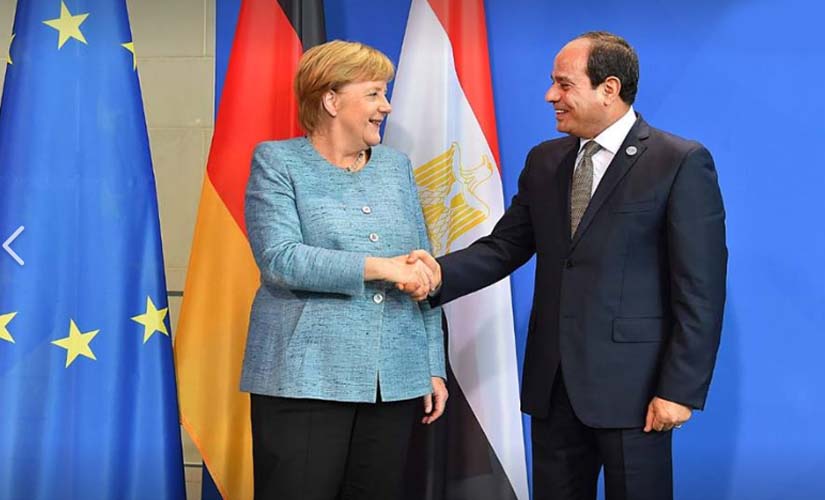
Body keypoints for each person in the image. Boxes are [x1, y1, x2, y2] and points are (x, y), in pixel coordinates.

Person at [407, 31, 727, 500]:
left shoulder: (677, 162)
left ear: (609, 89)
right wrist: (436, 274)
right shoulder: (545, 161)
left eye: (563, 84)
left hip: (635, 393)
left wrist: (679, 390)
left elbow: (700, 289)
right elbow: (504, 247)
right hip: (553, 389)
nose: (550, 95)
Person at [240, 40, 447, 500]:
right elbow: (280, 258)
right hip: (304, 378)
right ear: (331, 100)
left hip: (393, 381)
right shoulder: (277, 162)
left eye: (385, 93)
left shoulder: (396, 167)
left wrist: (432, 365)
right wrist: (380, 267)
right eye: (374, 93)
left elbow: (422, 269)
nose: (386, 106)